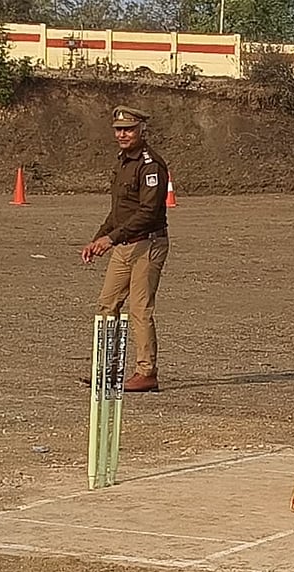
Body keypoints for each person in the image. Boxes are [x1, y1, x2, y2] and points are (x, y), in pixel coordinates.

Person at [80, 105, 170, 393]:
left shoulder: (150, 164)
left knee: (140, 309)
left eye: (128, 129)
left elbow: (148, 212)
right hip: (123, 244)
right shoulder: (123, 162)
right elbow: (119, 210)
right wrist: (99, 238)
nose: (122, 134)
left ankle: (146, 372)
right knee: (107, 304)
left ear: (142, 130)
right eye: (118, 129)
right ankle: (107, 368)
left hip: (148, 243)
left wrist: (111, 239)